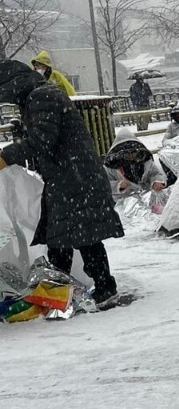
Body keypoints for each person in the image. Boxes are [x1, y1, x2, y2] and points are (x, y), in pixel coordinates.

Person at [0, 60, 125, 308]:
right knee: (61, 237)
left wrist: (6, 156)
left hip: (74, 178)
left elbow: (42, 140)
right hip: (70, 176)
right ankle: (62, 289)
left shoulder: (41, 97)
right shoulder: (41, 95)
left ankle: (103, 288)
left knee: (82, 236)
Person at [105, 127, 168, 199]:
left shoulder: (145, 161)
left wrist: (157, 181)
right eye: (127, 154)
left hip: (147, 199)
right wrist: (118, 186)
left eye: (133, 153)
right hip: (124, 203)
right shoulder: (112, 166)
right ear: (119, 154)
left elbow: (155, 174)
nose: (131, 157)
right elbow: (104, 185)